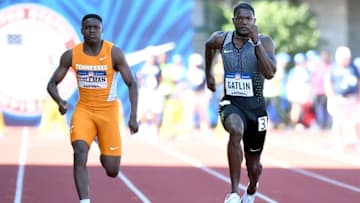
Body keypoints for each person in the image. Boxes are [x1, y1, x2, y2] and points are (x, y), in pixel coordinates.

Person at [46, 14, 139, 203]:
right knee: (80, 152)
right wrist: (60, 102)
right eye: (88, 28)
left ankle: (99, 138)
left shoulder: (114, 53)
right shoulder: (72, 54)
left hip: (108, 112)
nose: (92, 31)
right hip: (84, 110)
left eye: (96, 28)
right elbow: (51, 84)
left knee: (112, 170)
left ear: (102, 30)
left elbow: (132, 84)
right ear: (82, 31)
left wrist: (133, 116)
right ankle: (85, 201)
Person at [204, 2, 276, 203]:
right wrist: (208, 74)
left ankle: (252, 187)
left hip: (256, 109)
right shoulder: (222, 39)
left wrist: (256, 44)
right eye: (240, 18)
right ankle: (234, 192)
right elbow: (208, 46)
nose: (244, 22)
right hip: (231, 103)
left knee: (254, 166)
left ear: (254, 21)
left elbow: (270, 73)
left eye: (248, 19)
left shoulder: (265, 41)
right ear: (234, 20)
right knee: (235, 130)